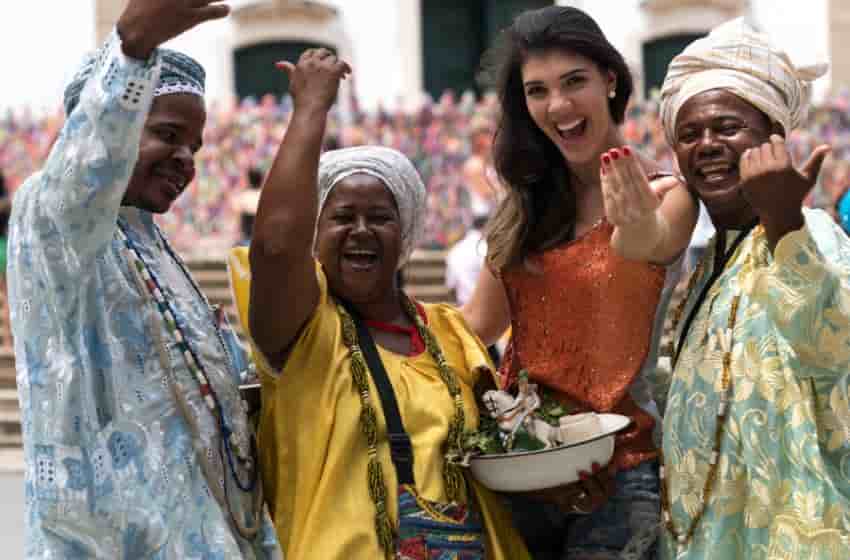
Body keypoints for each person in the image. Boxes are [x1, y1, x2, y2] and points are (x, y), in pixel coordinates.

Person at [228, 49, 529, 559]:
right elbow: (276, 246)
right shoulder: (303, 333)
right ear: (315, 235)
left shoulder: (449, 333)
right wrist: (310, 112)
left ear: (405, 232)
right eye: (342, 216)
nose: (361, 230)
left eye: (380, 217)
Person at [6, 1, 279, 557]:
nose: (186, 159)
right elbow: (84, 172)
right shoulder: (53, 217)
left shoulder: (152, 242)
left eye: (195, 146)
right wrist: (130, 48)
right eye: (168, 134)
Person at [462, 6, 699, 559]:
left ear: (610, 81)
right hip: (520, 470)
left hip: (619, 475)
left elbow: (651, 244)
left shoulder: (668, 195)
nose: (559, 106)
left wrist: (632, 226)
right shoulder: (523, 208)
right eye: (537, 90)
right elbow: (478, 325)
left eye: (575, 82)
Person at [656, 18, 850, 559]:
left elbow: (830, 349)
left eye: (728, 128)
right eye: (690, 134)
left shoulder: (812, 234)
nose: (708, 146)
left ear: (774, 139)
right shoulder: (704, 269)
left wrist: (784, 219)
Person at [234, 166, 264, 244]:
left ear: (249, 181)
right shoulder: (264, 197)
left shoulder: (244, 197)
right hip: (261, 238)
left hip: (247, 238)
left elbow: (238, 217)